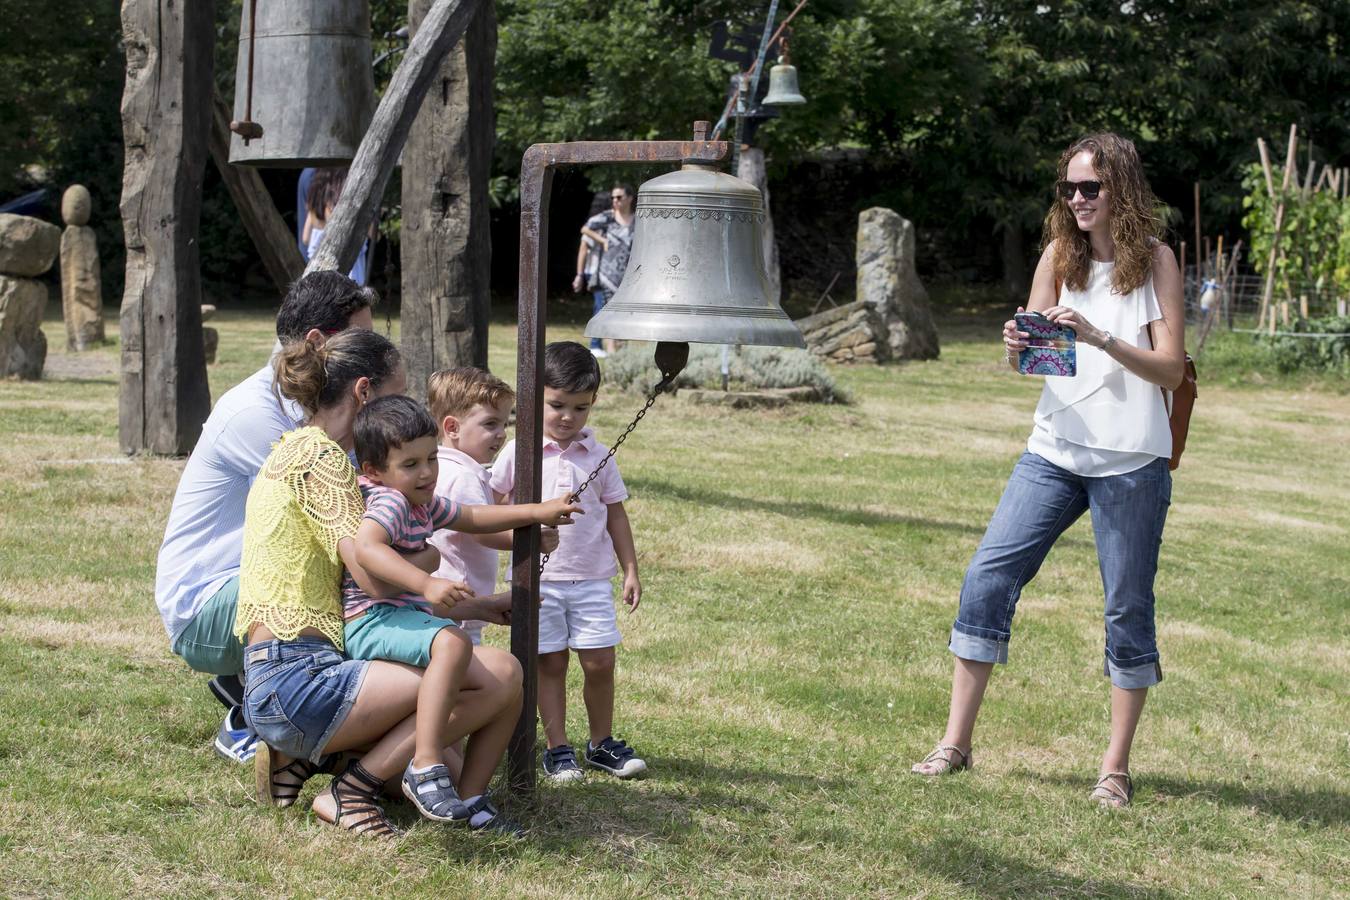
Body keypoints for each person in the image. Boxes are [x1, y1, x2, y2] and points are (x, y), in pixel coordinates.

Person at [910, 133, 1186, 809]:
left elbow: (1170, 369)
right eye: (1069, 188)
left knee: (1126, 607)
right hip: (1055, 451)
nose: (1078, 199)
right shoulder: (1058, 257)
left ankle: (1114, 769)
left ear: (1121, 188)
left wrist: (1099, 336)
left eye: (1090, 187)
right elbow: (1038, 362)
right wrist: (1017, 346)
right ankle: (956, 744)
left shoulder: (1155, 260)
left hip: (1131, 462)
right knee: (987, 576)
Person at [237, 330, 580, 837]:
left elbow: (467, 521)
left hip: (311, 664)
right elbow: (375, 584)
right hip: (296, 676)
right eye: (397, 394)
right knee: (463, 677)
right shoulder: (327, 462)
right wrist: (431, 559)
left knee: (504, 674)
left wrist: (498, 575)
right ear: (363, 393)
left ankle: (440, 792)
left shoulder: (318, 453)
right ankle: (355, 784)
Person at [154, 270, 376, 764]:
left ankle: (260, 687)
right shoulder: (255, 414)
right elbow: (347, 513)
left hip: (243, 590)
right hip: (205, 607)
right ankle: (257, 711)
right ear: (319, 341)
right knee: (356, 574)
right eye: (362, 338)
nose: (373, 348)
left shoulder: (312, 405)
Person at [341, 394, 578, 823]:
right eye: (410, 464)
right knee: (451, 644)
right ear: (374, 471)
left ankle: (471, 798)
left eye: (431, 458)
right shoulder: (389, 501)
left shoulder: (421, 502)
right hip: (368, 621)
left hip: (400, 619)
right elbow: (367, 549)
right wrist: (426, 581)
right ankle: (425, 764)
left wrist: (537, 512)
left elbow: (472, 516)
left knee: (509, 676)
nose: (428, 472)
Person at [490, 342, 646, 782]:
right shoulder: (520, 452)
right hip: (539, 580)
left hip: (592, 578)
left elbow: (615, 512)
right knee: (550, 663)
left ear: (593, 403)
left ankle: (601, 743)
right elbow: (495, 502)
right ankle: (557, 748)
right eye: (556, 405)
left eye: (580, 408)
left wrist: (630, 567)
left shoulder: (599, 456)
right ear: (536, 399)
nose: (567, 417)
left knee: (600, 661)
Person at [425, 368, 559, 647]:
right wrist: (527, 540)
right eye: (490, 424)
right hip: (460, 598)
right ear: (452, 428)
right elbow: (479, 530)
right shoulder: (464, 475)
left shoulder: (443, 467)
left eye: (504, 425)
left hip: (443, 597)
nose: (501, 435)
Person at [571, 184, 636, 358]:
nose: (615, 201)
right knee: (606, 311)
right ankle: (607, 349)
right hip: (605, 275)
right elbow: (585, 229)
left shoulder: (637, 220)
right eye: (613, 198)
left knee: (625, 314)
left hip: (628, 277)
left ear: (630, 198)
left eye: (619, 197)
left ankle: (621, 350)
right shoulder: (607, 217)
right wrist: (602, 240)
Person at [302, 168, 372, 286]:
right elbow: (373, 233)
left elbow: (305, 238)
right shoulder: (341, 204)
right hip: (349, 278)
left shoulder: (316, 203)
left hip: (319, 274)